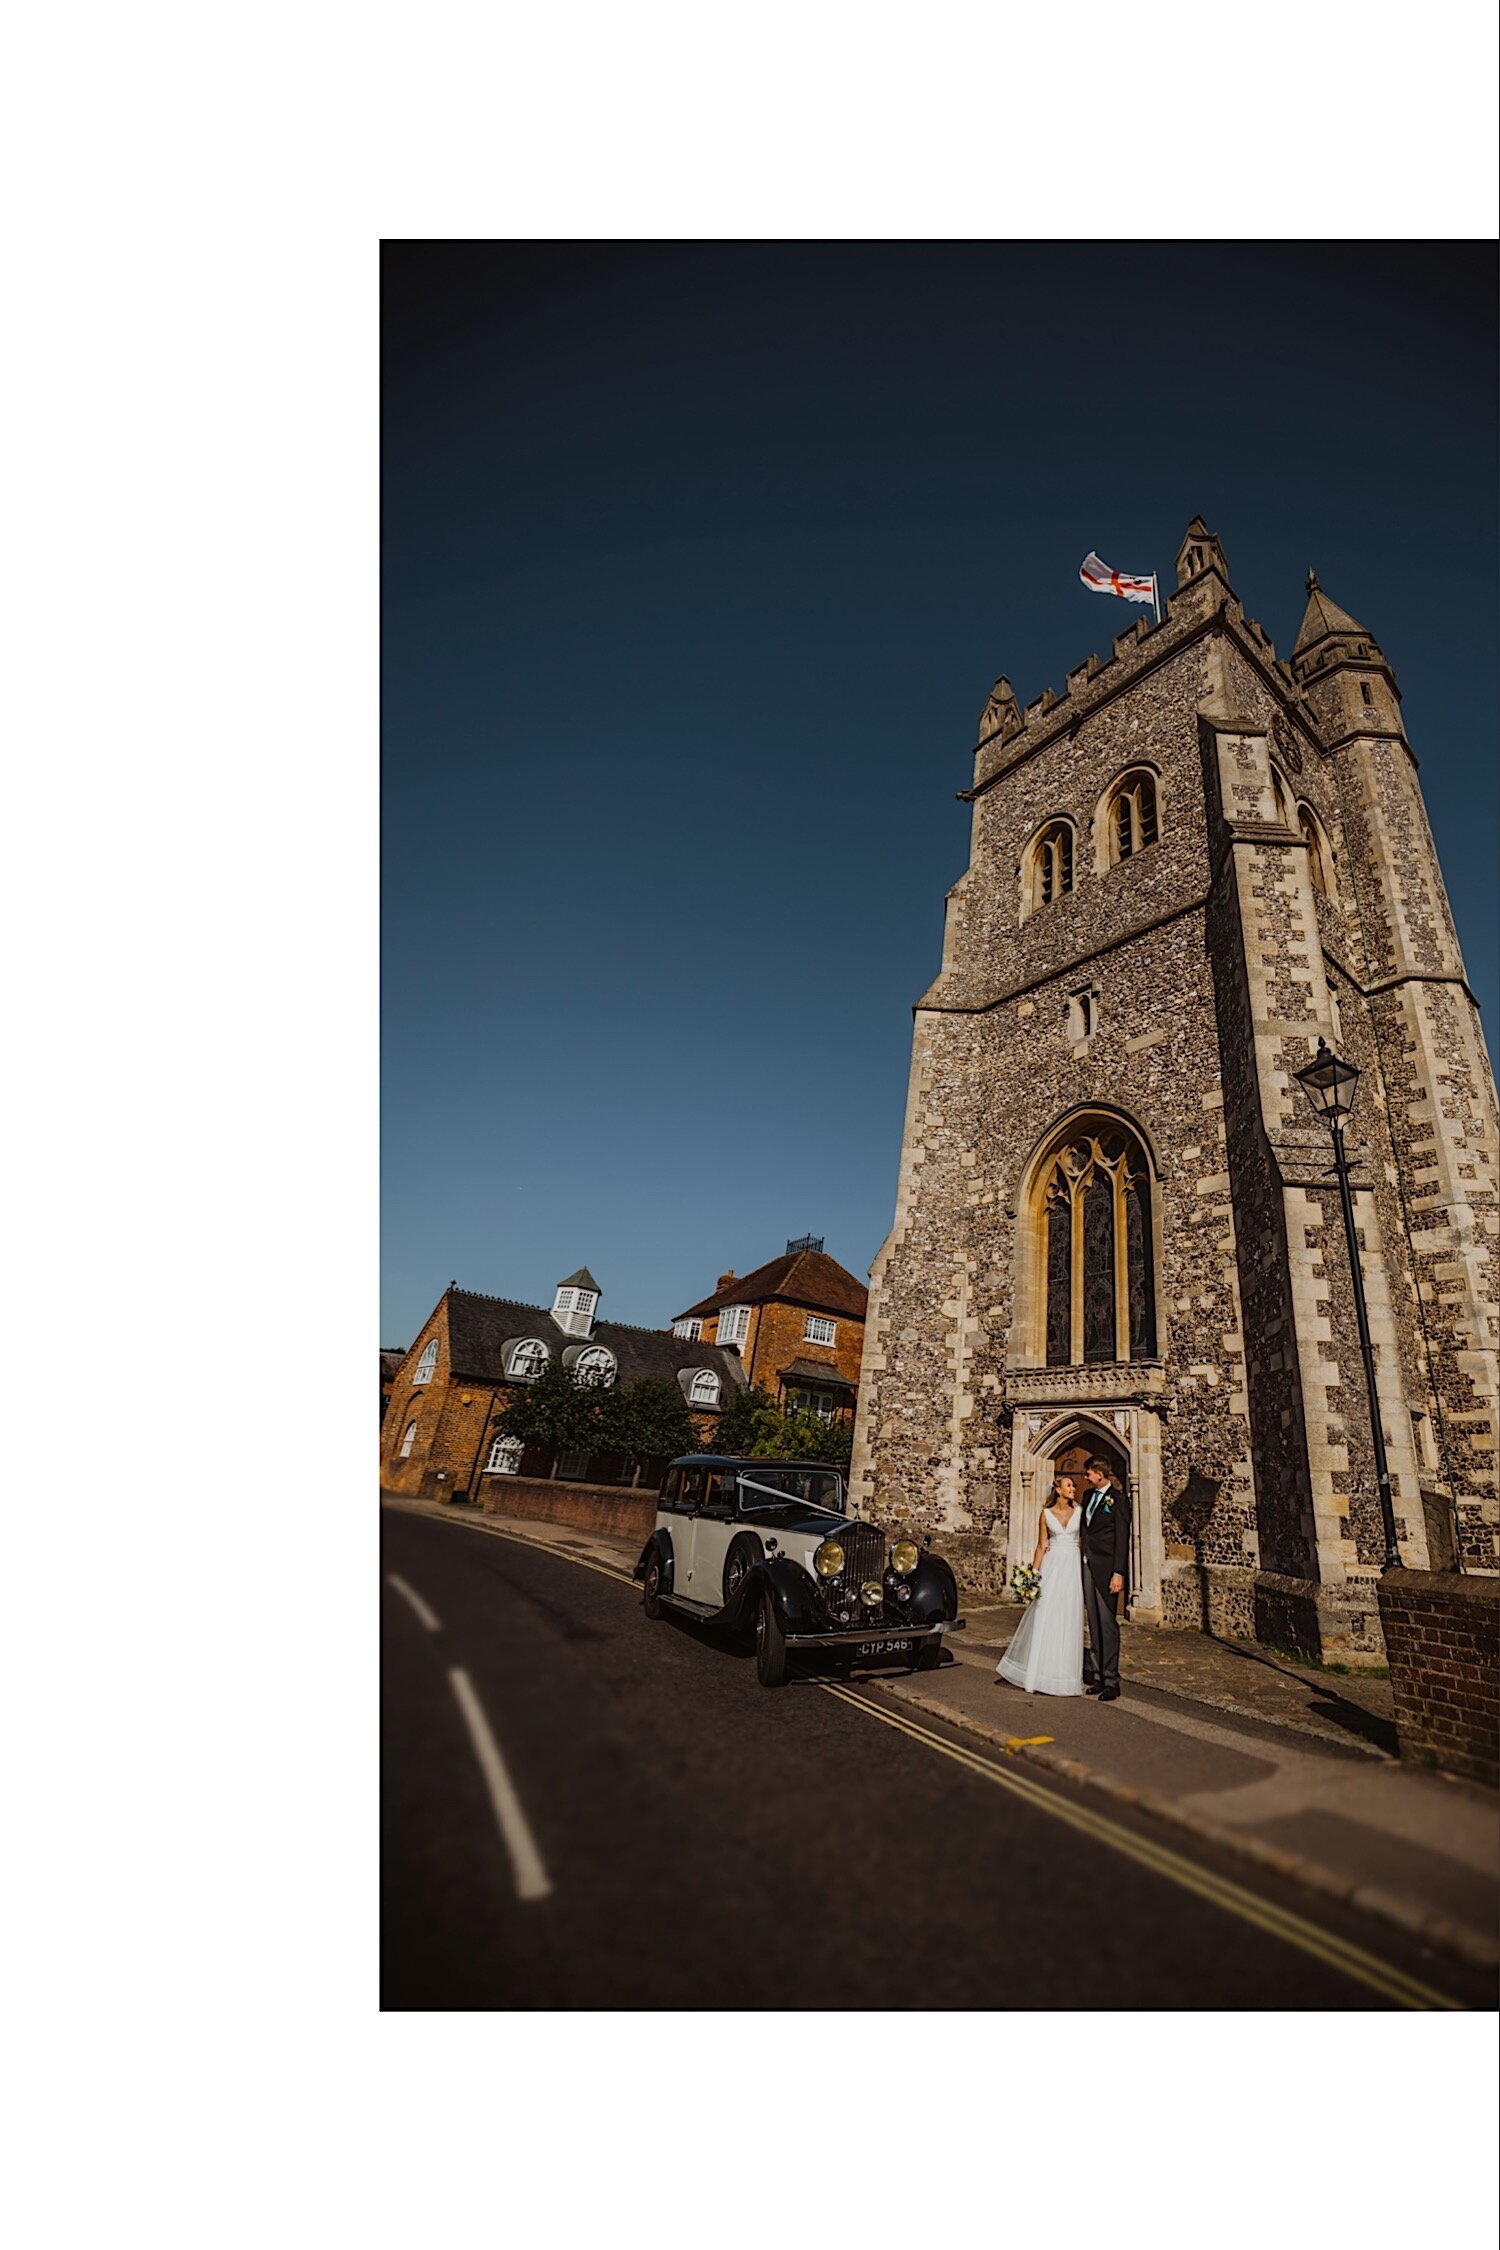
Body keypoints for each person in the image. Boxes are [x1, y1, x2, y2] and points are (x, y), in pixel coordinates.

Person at [996, 1474, 1085, 1697]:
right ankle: (1039, 1673)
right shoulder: (1045, 1515)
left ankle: (1065, 1675)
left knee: (1069, 1616)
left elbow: (1085, 1541)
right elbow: (1041, 1545)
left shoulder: (1080, 1512)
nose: (1073, 1488)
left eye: (1073, 1485)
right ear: (1058, 1490)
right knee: (1046, 1615)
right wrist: (1033, 1575)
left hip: (1072, 1567)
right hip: (1052, 1567)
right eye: (1068, 1485)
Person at [1080, 1457, 1131, 1701]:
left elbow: (1122, 1539)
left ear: (1100, 1474)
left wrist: (1119, 1572)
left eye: (1088, 1473)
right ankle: (1098, 1674)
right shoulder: (1088, 1497)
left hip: (1108, 1569)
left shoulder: (1119, 1501)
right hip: (1088, 1565)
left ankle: (1112, 1679)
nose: (1086, 1477)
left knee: (1107, 1623)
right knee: (1094, 1622)